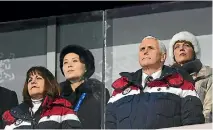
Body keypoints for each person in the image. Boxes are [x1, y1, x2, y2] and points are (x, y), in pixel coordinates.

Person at [105, 36, 205, 129]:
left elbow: (193, 123)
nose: (145, 52)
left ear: (163, 56)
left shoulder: (182, 85)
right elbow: (109, 124)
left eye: (150, 48)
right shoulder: (121, 88)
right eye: (142, 49)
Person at [2, 66, 81, 129]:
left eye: (38, 78)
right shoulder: (14, 115)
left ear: (49, 83)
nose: (33, 81)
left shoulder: (63, 111)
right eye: (30, 80)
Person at [59, 45, 110, 129]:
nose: (69, 65)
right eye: (65, 62)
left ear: (86, 67)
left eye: (74, 61)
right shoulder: (56, 95)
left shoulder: (97, 93)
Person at [169, 31, 212, 123]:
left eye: (186, 45)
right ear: (173, 54)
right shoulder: (165, 78)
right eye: (177, 47)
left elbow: (209, 111)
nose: (181, 49)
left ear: (194, 51)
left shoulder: (208, 76)